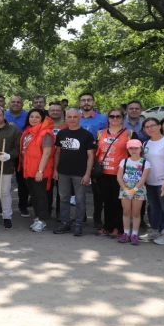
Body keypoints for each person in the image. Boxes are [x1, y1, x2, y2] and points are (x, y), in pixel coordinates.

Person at [53, 108, 95, 236]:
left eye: (75, 117)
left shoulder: (86, 135)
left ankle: (78, 225)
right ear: (66, 118)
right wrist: (55, 169)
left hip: (80, 173)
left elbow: (91, 156)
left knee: (80, 200)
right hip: (63, 172)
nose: (72, 119)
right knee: (63, 198)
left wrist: (88, 174)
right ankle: (65, 223)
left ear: (79, 118)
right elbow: (57, 153)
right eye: (69, 117)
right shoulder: (61, 134)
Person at [94, 108, 136, 237]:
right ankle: (108, 226)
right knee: (106, 200)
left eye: (118, 116)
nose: (115, 119)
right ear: (108, 118)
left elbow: (135, 153)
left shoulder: (129, 133)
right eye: (112, 116)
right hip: (103, 172)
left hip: (120, 173)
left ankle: (119, 227)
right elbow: (97, 152)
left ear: (123, 118)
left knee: (118, 201)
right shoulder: (100, 133)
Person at [139, 117, 164, 245]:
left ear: (159, 126)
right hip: (150, 182)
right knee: (154, 208)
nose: (150, 129)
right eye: (147, 127)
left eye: (152, 125)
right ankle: (154, 231)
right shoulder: (145, 144)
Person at [19, 108, 55, 233]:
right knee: (34, 196)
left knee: (41, 197)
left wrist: (40, 171)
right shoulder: (29, 132)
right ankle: (38, 217)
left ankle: (42, 221)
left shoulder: (46, 133)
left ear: (43, 119)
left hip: (40, 171)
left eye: (37, 117)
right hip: (29, 170)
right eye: (31, 116)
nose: (33, 119)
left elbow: (47, 153)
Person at [78, 92, 108, 229]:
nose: (86, 103)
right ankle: (81, 216)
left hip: (97, 158)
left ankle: (97, 219)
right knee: (79, 189)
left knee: (98, 192)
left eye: (89, 100)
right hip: (77, 158)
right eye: (83, 100)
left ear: (93, 102)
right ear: (79, 103)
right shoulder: (75, 117)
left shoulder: (103, 118)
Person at [116, 139, 151, 245]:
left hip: (139, 190)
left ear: (141, 149)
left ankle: (134, 234)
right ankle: (126, 233)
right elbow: (119, 176)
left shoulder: (145, 162)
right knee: (126, 212)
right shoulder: (124, 161)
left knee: (136, 213)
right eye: (131, 148)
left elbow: (143, 178)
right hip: (125, 189)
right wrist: (126, 189)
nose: (134, 150)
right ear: (128, 149)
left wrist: (134, 190)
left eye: (136, 148)